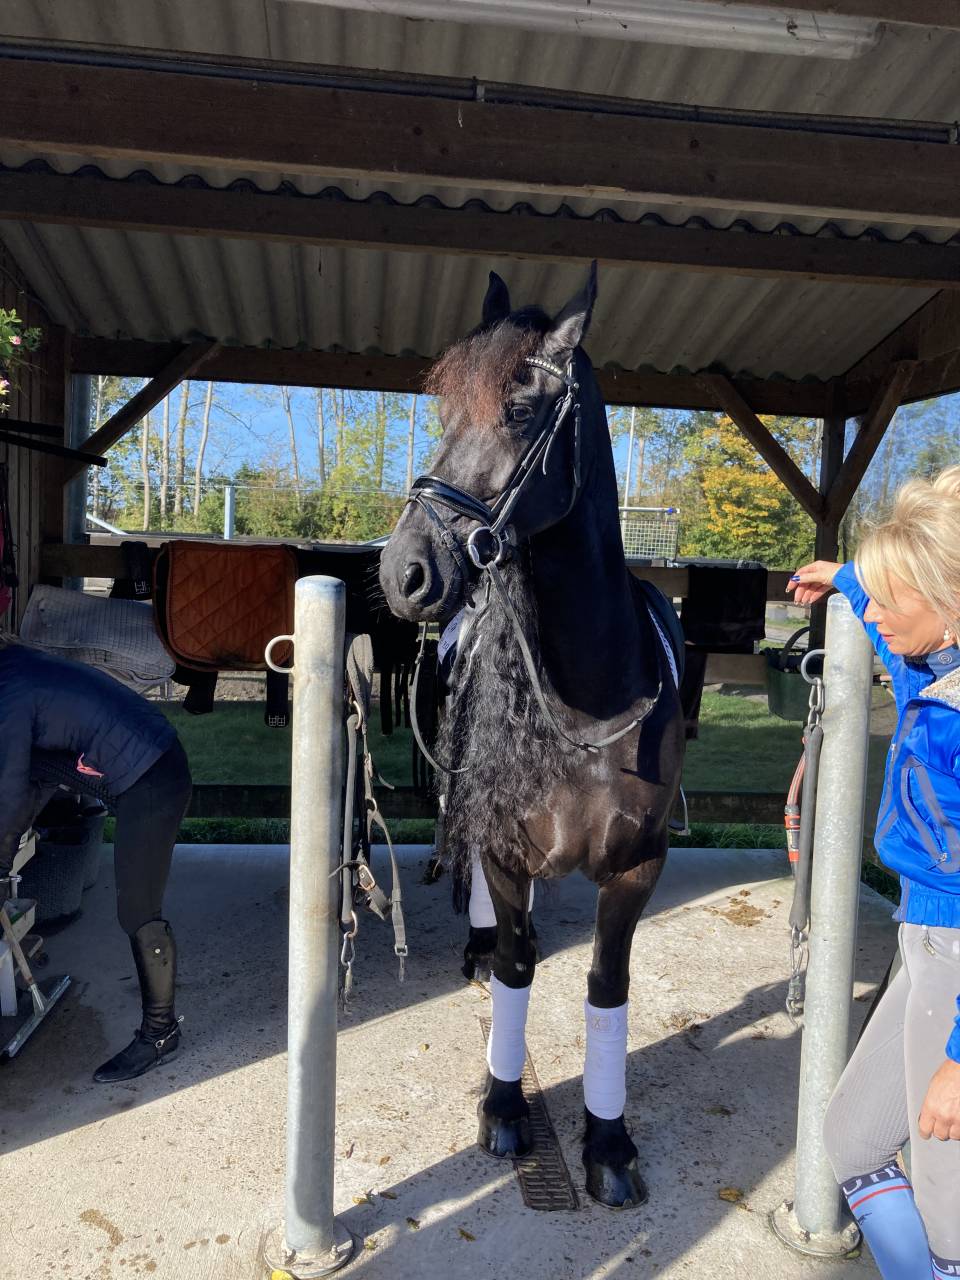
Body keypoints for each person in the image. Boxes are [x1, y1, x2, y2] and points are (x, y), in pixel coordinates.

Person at [789, 465, 960, 1280]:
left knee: (947, 1212)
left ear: (951, 603)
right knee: (854, 1139)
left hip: (957, 967)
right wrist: (849, 581)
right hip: (924, 946)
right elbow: (909, 647)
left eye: (895, 601)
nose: (877, 619)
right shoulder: (938, 667)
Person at [0, 635, 192, 1083]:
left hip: (152, 777)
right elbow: (34, 770)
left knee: (137, 911)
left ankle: (160, 1034)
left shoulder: (7, 691)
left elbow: (8, 791)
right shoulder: (19, 668)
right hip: (149, 757)